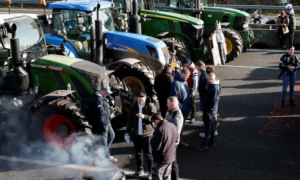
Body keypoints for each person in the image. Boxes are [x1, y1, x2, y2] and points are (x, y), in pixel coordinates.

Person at [125, 92, 157, 179]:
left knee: (148, 154)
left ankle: (151, 172)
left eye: (142, 100)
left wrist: (144, 117)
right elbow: (129, 119)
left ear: (146, 98)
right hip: (137, 134)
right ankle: (140, 169)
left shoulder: (150, 106)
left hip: (147, 134)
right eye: (139, 100)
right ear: (136, 99)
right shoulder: (134, 106)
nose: (141, 102)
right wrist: (127, 131)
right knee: (138, 153)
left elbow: (155, 118)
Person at [91, 84, 117, 162]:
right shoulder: (98, 100)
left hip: (106, 120)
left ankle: (104, 151)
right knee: (104, 139)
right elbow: (100, 111)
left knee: (112, 135)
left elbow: (107, 100)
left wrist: (110, 103)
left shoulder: (102, 96)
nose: (107, 94)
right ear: (102, 91)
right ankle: (106, 155)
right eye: (106, 92)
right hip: (103, 121)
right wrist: (110, 110)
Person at [195, 73, 220, 151]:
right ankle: (211, 141)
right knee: (212, 126)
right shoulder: (213, 86)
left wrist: (209, 110)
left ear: (214, 79)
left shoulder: (214, 88)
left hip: (209, 111)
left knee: (208, 127)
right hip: (211, 110)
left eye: (211, 79)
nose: (210, 80)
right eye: (209, 79)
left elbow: (214, 100)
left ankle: (205, 143)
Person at [150, 113, 178, 180]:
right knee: (167, 176)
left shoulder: (160, 130)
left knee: (157, 176)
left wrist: (151, 140)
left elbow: (156, 147)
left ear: (156, 120)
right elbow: (176, 140)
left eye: (153, 122)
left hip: (161, 160)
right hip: (170, 157)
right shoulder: (172, 125)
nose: (154, 124)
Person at [170, 67, 191, 147]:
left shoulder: (185, 82)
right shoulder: (175, 84)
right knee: (177, 127)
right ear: (182, 74)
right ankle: (174, 143)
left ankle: (179, 140)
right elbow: (174, 98)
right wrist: (178, 109)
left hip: (185, 109)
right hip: (180, 111)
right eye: (187, 75)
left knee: (181, 127)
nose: (188, 77)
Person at [165, 96, 183, 180]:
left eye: (168, 103)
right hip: (170, 142)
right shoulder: (172, 112)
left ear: (172, 105)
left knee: (172, 161)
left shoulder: (177, 117)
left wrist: (170, 143)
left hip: (172, 143)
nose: (166, 105)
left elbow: (176, 132)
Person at [182, 58, 198, 124]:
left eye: (184, 64)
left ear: (188, 63)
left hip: (191, 88)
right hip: (187, 87)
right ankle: (188, 115)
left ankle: (193, 117)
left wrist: (193, 91)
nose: (183, 66)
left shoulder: (193, 70)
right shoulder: (188, 68)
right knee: (187, 102)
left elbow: (195, 81)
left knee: (192, 103)